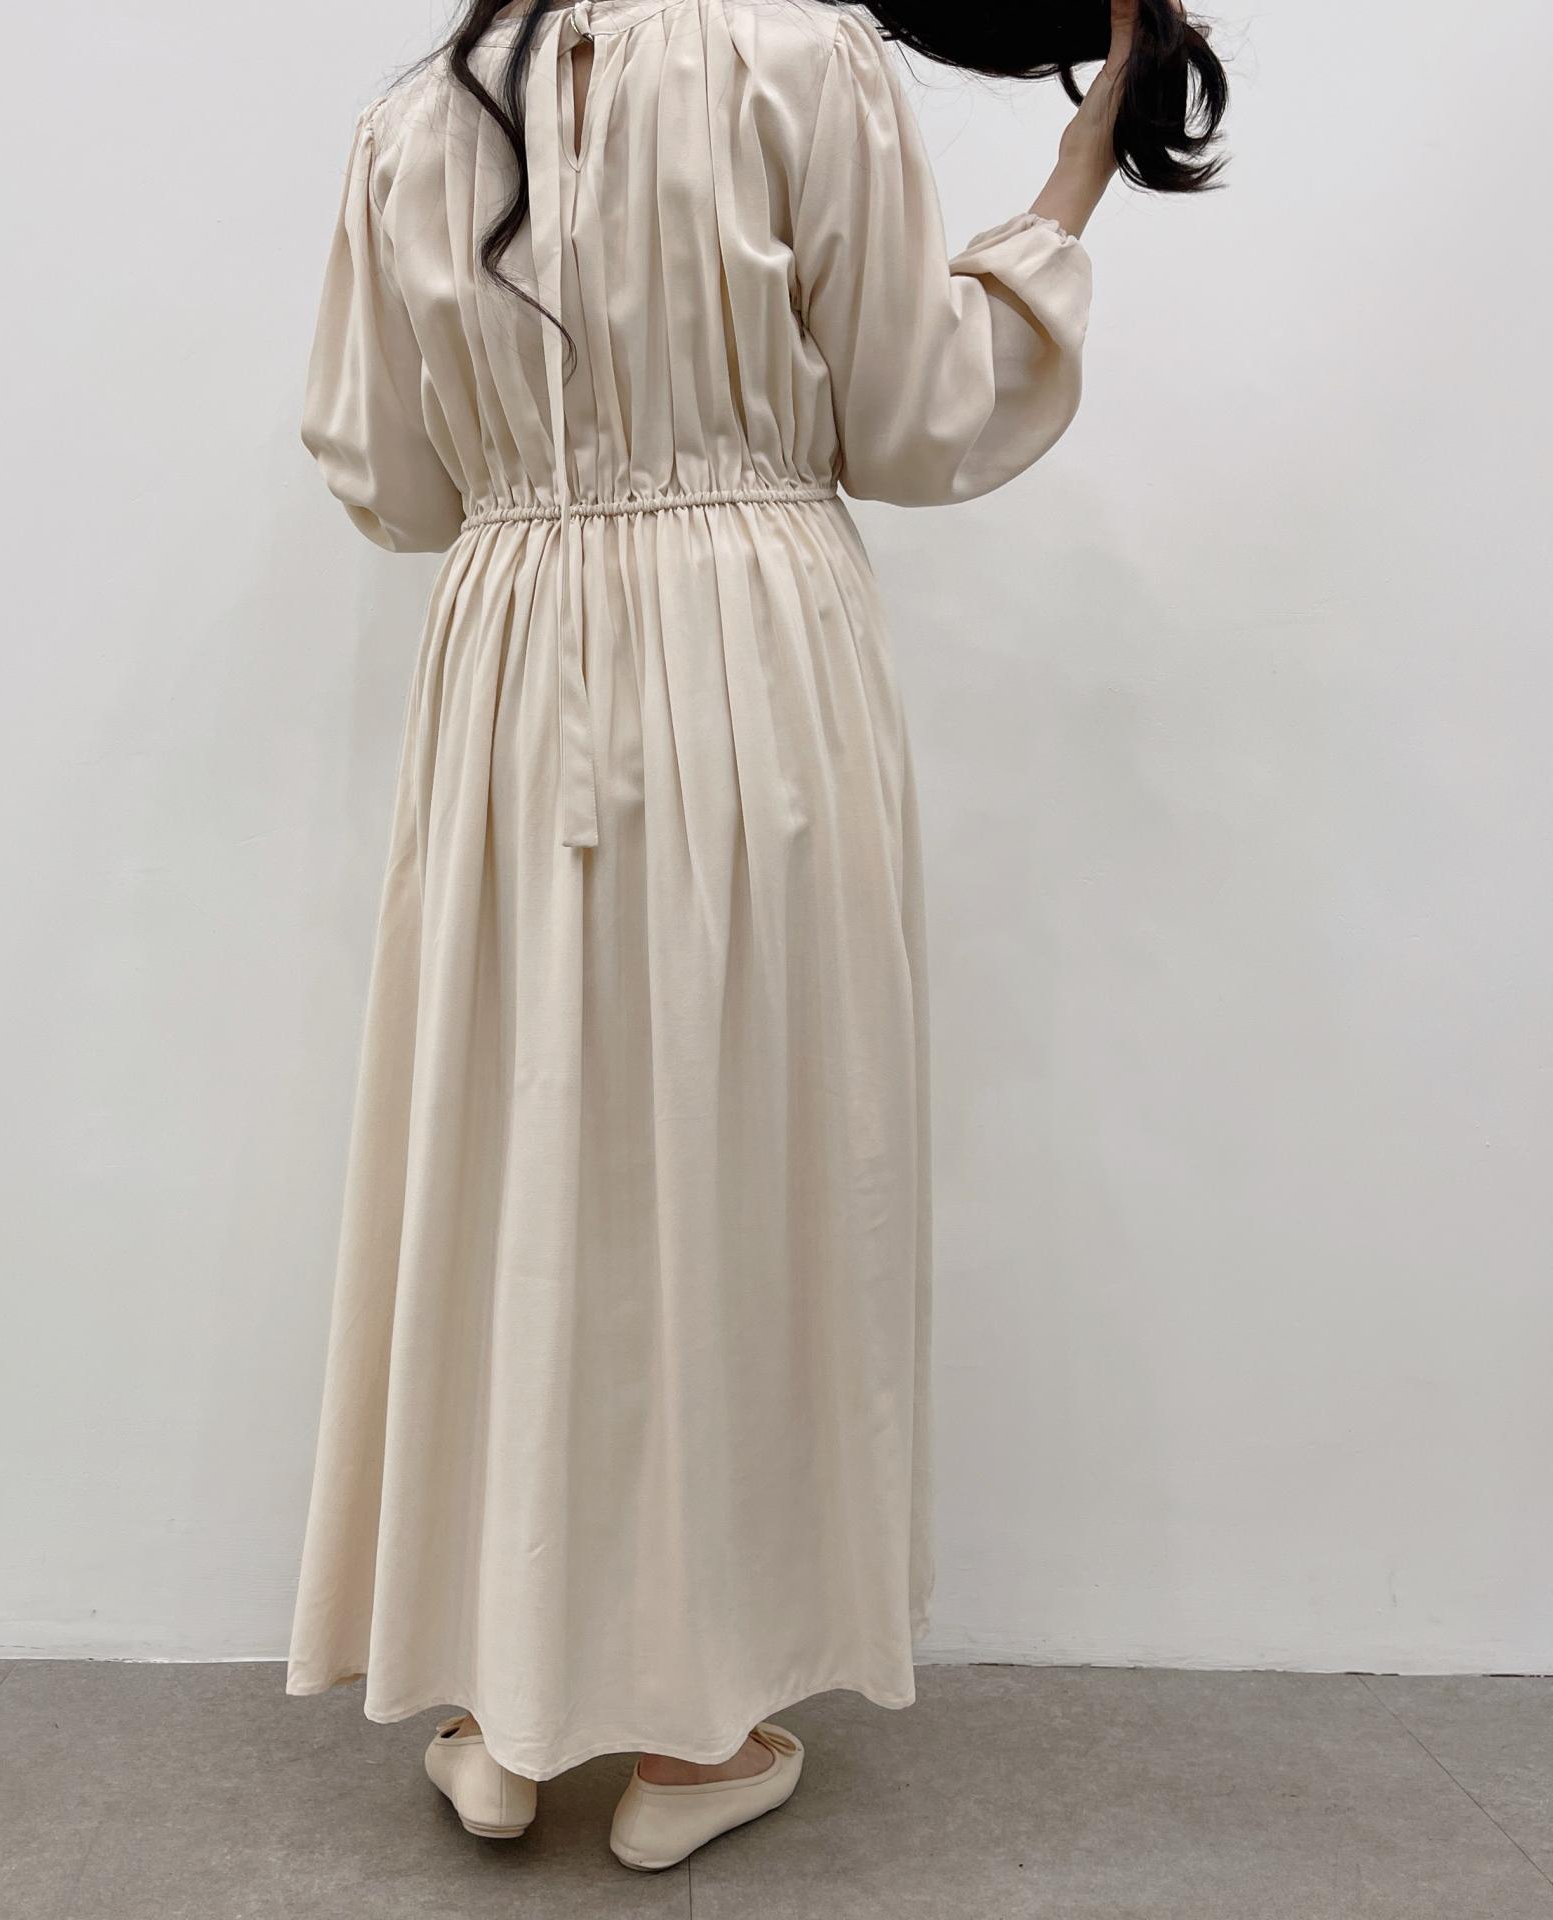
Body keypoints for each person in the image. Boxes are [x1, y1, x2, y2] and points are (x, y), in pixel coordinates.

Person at [288, 0, 1227, 1872]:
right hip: (752, 651)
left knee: (514, 1159)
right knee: (744, 1156)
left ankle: (500, 1710)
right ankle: (696, 1734)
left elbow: (391, 487)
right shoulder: (801, 60)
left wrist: (544, 467)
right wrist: (1065, 197)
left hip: (510, 661)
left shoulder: (412, 128)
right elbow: (920, 418)